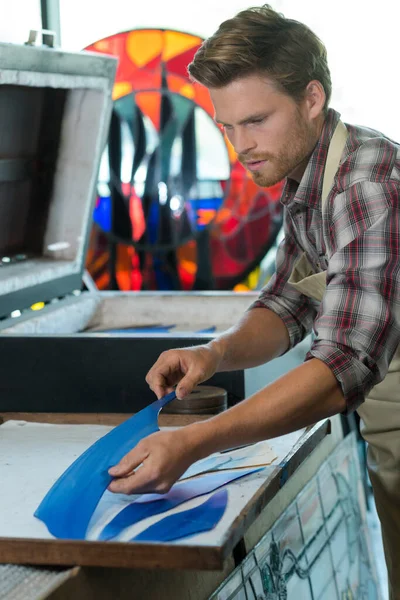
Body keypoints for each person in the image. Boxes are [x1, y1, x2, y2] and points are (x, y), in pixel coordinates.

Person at [108, 5, 400, 597]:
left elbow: (339, 369)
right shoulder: (305, 174)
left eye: (256, 121)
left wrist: (193, 443)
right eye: (227, 127)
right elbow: (288, 303)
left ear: (312, 98)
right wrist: (214, 354)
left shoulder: (367, 185)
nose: (241, 145)